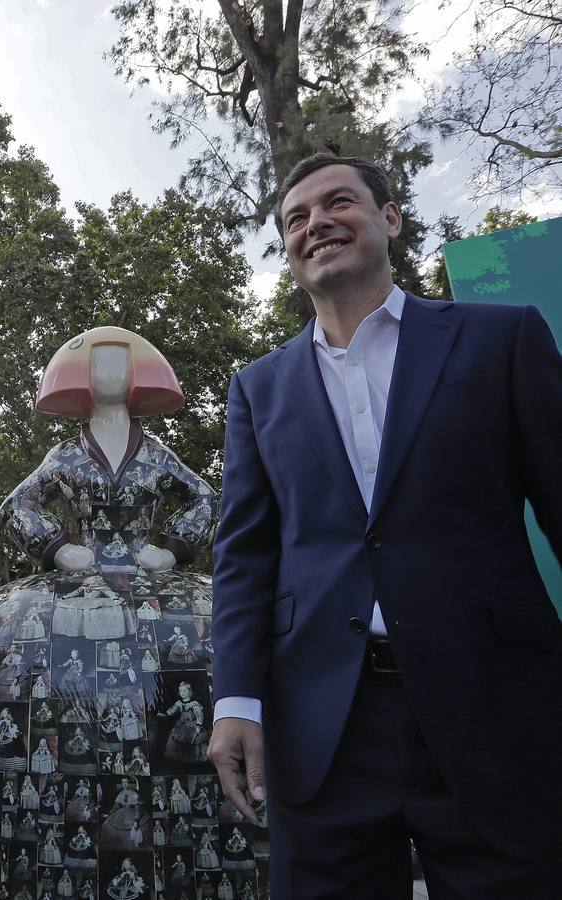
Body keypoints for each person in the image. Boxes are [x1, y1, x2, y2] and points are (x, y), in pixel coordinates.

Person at [209, 153, 562, 898]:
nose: (317, 224)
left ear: (390, 218)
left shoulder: (502, 339)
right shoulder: (257, 389)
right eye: (296, 218)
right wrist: (236, 700)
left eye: (338, 202)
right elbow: (245, 556)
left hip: (493, 707)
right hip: (322, 728)